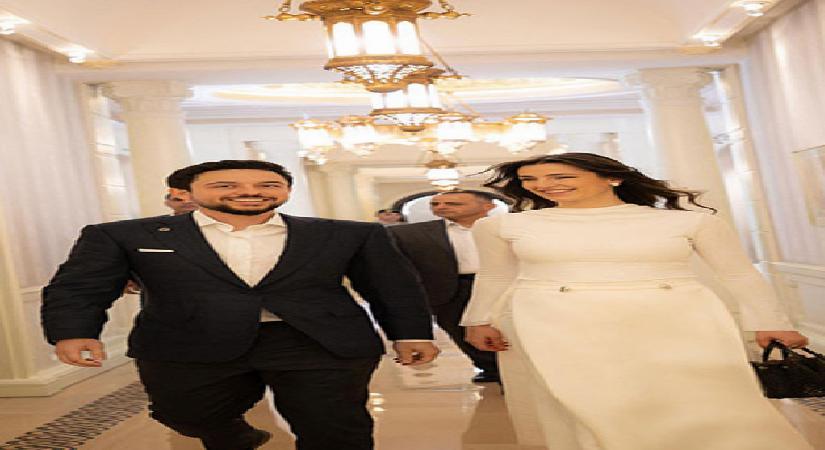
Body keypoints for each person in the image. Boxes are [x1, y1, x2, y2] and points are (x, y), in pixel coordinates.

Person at [42, 160, 439, 450]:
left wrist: (410, 334)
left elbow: (393, 288)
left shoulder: (346, 234)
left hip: (318, 341)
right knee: (183, 414)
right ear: (188, 193)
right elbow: (81, 286)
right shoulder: (126, 235)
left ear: (285, 191)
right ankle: (235, 436)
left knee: (335, 428)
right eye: (225, 185)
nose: (250, 191)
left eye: (269, 184)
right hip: (188, 341)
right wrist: (74, 332)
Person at [461, 153, 813, 450]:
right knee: (587, 403)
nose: (543, 185)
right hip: (552, 322)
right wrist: (477, 320)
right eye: (530, 179)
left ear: (612, 178)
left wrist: (773, 322)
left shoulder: (691, 222)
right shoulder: (501, 227)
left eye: (561, 176)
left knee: (703, 400)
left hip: (679, 320)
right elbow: (495, 276)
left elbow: (739, 274)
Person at [390, 190, 500, 383]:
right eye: (435, 204)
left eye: (453, 203)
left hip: (501, 283)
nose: (441, 207)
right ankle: (490, 368)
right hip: (451, 287)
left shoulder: (505, 227)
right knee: (460, 330)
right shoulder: (411, 233)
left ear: (488, 206)